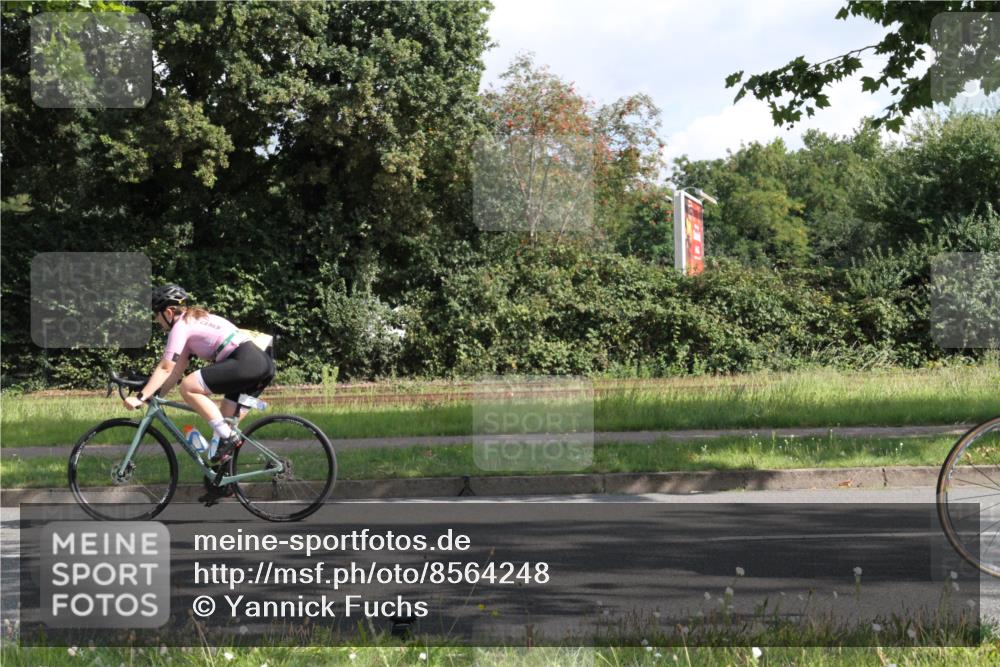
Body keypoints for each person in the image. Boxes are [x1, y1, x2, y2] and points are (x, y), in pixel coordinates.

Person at [123, 284, 275, 464]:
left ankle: (228, 438)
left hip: (245, 362)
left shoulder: (181, 326)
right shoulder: (196, 320)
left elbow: (165, 367)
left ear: (169, 312)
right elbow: (176, 369)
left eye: (156, 315)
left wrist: (140, 397)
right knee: (222, 429)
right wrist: (155, 395)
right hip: (259, 362)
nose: (157, 320)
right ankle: (223, 479)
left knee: (188, 386)